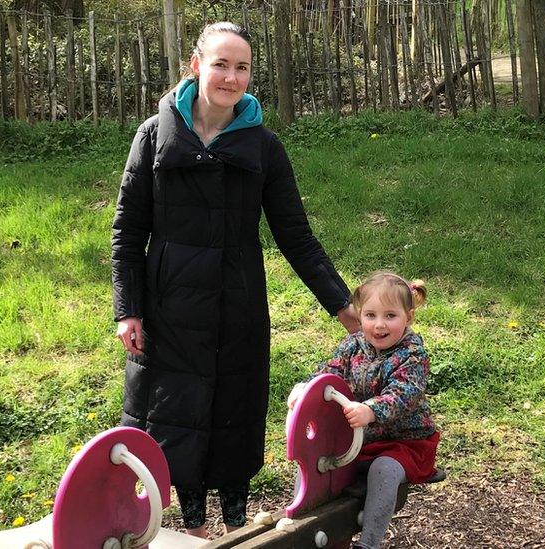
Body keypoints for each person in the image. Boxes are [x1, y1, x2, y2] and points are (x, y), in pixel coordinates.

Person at [110, 21, 360, 538]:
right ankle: (194, 522)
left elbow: (296, 236)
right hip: (169, 308)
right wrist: (128, 309)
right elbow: (128, 232)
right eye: (221, 64)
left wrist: (342, 306)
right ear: (196, 65)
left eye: (242, 67)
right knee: (176, 410)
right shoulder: (154, 136)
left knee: (234, 407)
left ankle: (239, 522)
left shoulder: (262, 146)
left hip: (237, 302)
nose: (231, 76)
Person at [287, 271, 441, 549]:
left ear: (409, 317)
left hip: (403, 442)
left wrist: (371, 410)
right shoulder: (352, 346)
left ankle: (369, 543)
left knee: (383, 470)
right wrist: (306, 388)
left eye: (390, 316)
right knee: (317, 460)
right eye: (370, 316)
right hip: (359, 442)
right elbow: (329, 373)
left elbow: (404, 393)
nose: (379, 325)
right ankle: (300, 518)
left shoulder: (412, 354)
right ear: (360, 316)